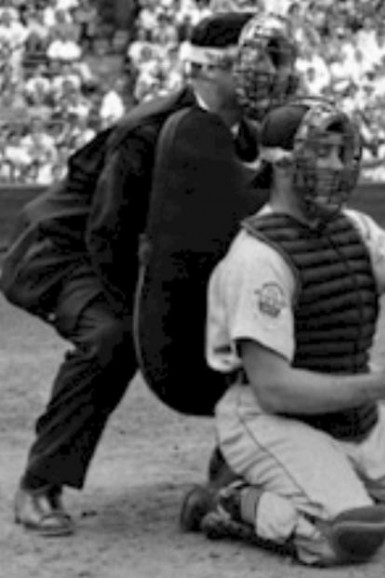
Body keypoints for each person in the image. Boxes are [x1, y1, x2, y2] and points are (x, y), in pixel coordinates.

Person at [0, 11, 300, 537]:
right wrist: (150, 315)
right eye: (253, 65)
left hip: (136, 257)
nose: (269, 76)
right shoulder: (148, 131)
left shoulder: (249, 138)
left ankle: (232, 471)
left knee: (253, 329)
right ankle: (39, 485)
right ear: (208, 69)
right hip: (64, 252)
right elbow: (106, 233)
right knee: (112, 337)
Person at [180, 100, 385, 566]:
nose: (339, 164)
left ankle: (338, 481)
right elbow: (273, 390)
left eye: (342, 151)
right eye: (324, 152)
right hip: (272, 419)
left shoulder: (353, 229)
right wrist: (383, 385)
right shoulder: (256, 258)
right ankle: (228, 500)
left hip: (353, 417)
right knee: (350, 534)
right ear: (283, 163)